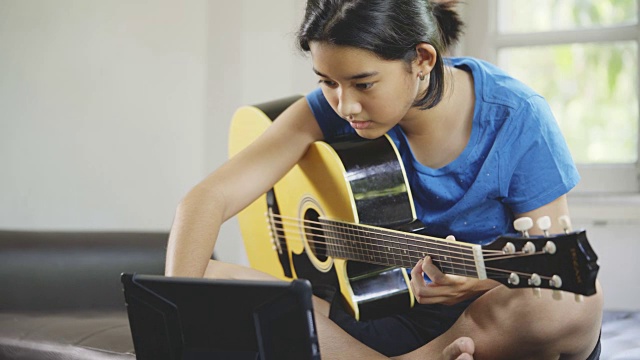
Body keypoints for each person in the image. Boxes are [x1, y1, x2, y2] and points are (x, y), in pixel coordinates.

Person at [165, 0, 604, 359]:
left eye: (363, 84)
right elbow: (207, 198)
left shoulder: (516, 116)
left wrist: (483, 281)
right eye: (327, 82)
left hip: (480, 325)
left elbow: (557, 265)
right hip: (369, 316)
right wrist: (172, 323)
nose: (344, 105)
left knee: (566, 307)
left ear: (422, 60)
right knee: (203, 276)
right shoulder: (328, 107)